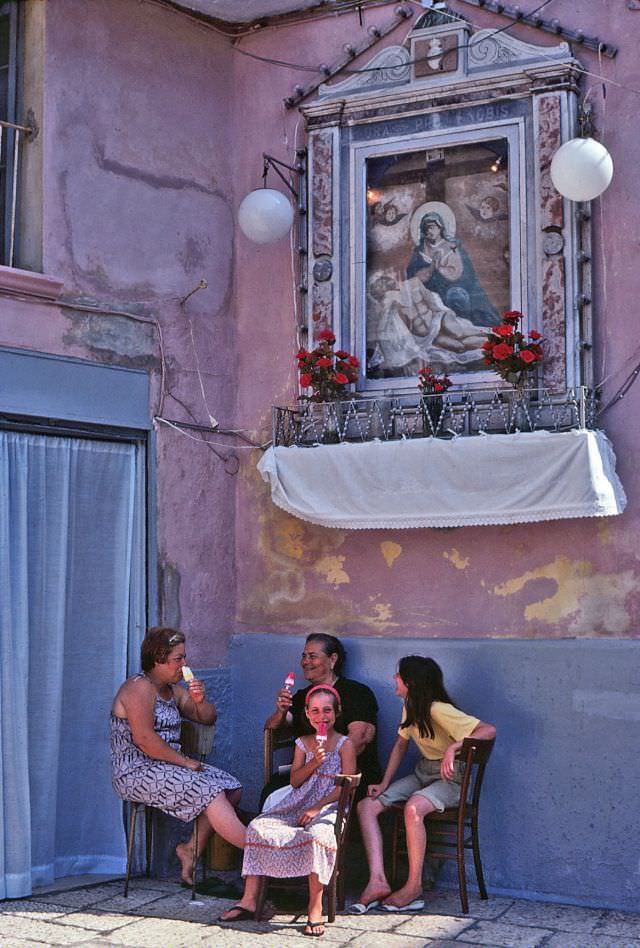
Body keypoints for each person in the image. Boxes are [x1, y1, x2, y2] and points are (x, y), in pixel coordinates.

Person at [354, 656, 496, 914]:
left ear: (410, 682)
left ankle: (413, 886)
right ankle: (377, 881)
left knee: (413, 808)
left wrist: (455, 746)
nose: (393, 679)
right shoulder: (410, 705)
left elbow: (488, 730)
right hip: (423, 773)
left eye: (397, 676)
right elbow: (400, 744)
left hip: (450, 779)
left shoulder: (437, 709)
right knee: (367, 806)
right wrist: (384, 783)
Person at [110, 627, 246, 884]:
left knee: (230, 787)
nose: (184, 664)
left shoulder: (173, 691)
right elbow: (145, 740)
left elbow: (207, 718)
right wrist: (185, 762)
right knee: (212, 791)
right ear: (158, 659)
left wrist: (199, 700)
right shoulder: (138, 688)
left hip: (168, 765)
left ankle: (190, 850)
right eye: (178, 659)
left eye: (184, 658)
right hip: (137, 769)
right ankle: (260, 852)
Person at [218, 685, 357, 936]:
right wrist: (314, 761)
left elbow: (345, 786)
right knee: (257, 827)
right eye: (315, 711)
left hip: (330, 806)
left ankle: (315, 907)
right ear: (306, 713)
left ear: (337, 713)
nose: (321, 717)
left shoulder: (345, 744)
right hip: (298, 802)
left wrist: (317, 807)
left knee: (318, 836)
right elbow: (295, 782)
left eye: (327, 711)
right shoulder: (303, 743)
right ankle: (249, 900)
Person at [262, 633, 381, 805]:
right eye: (304, 656)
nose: (305, 662)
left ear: (333, 659)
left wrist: (322, 772)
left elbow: (359, 738)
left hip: (343, 775)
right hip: (306, 774)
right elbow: (271, 730)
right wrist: (281, 711)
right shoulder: (302, 698)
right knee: (271, 790)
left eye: (312, 656)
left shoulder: (357, 693)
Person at [407, 210, 500, 327]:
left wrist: (439, 268)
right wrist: (431, 267)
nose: (429, 231)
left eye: (432, 227)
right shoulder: (420, 250)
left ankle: (463, 326)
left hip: (452, 288)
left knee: (456, 296)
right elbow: (413, 277)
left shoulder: (452, 247)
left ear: (440, 228)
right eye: (426, 228)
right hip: (428, 292)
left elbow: (458, 273)